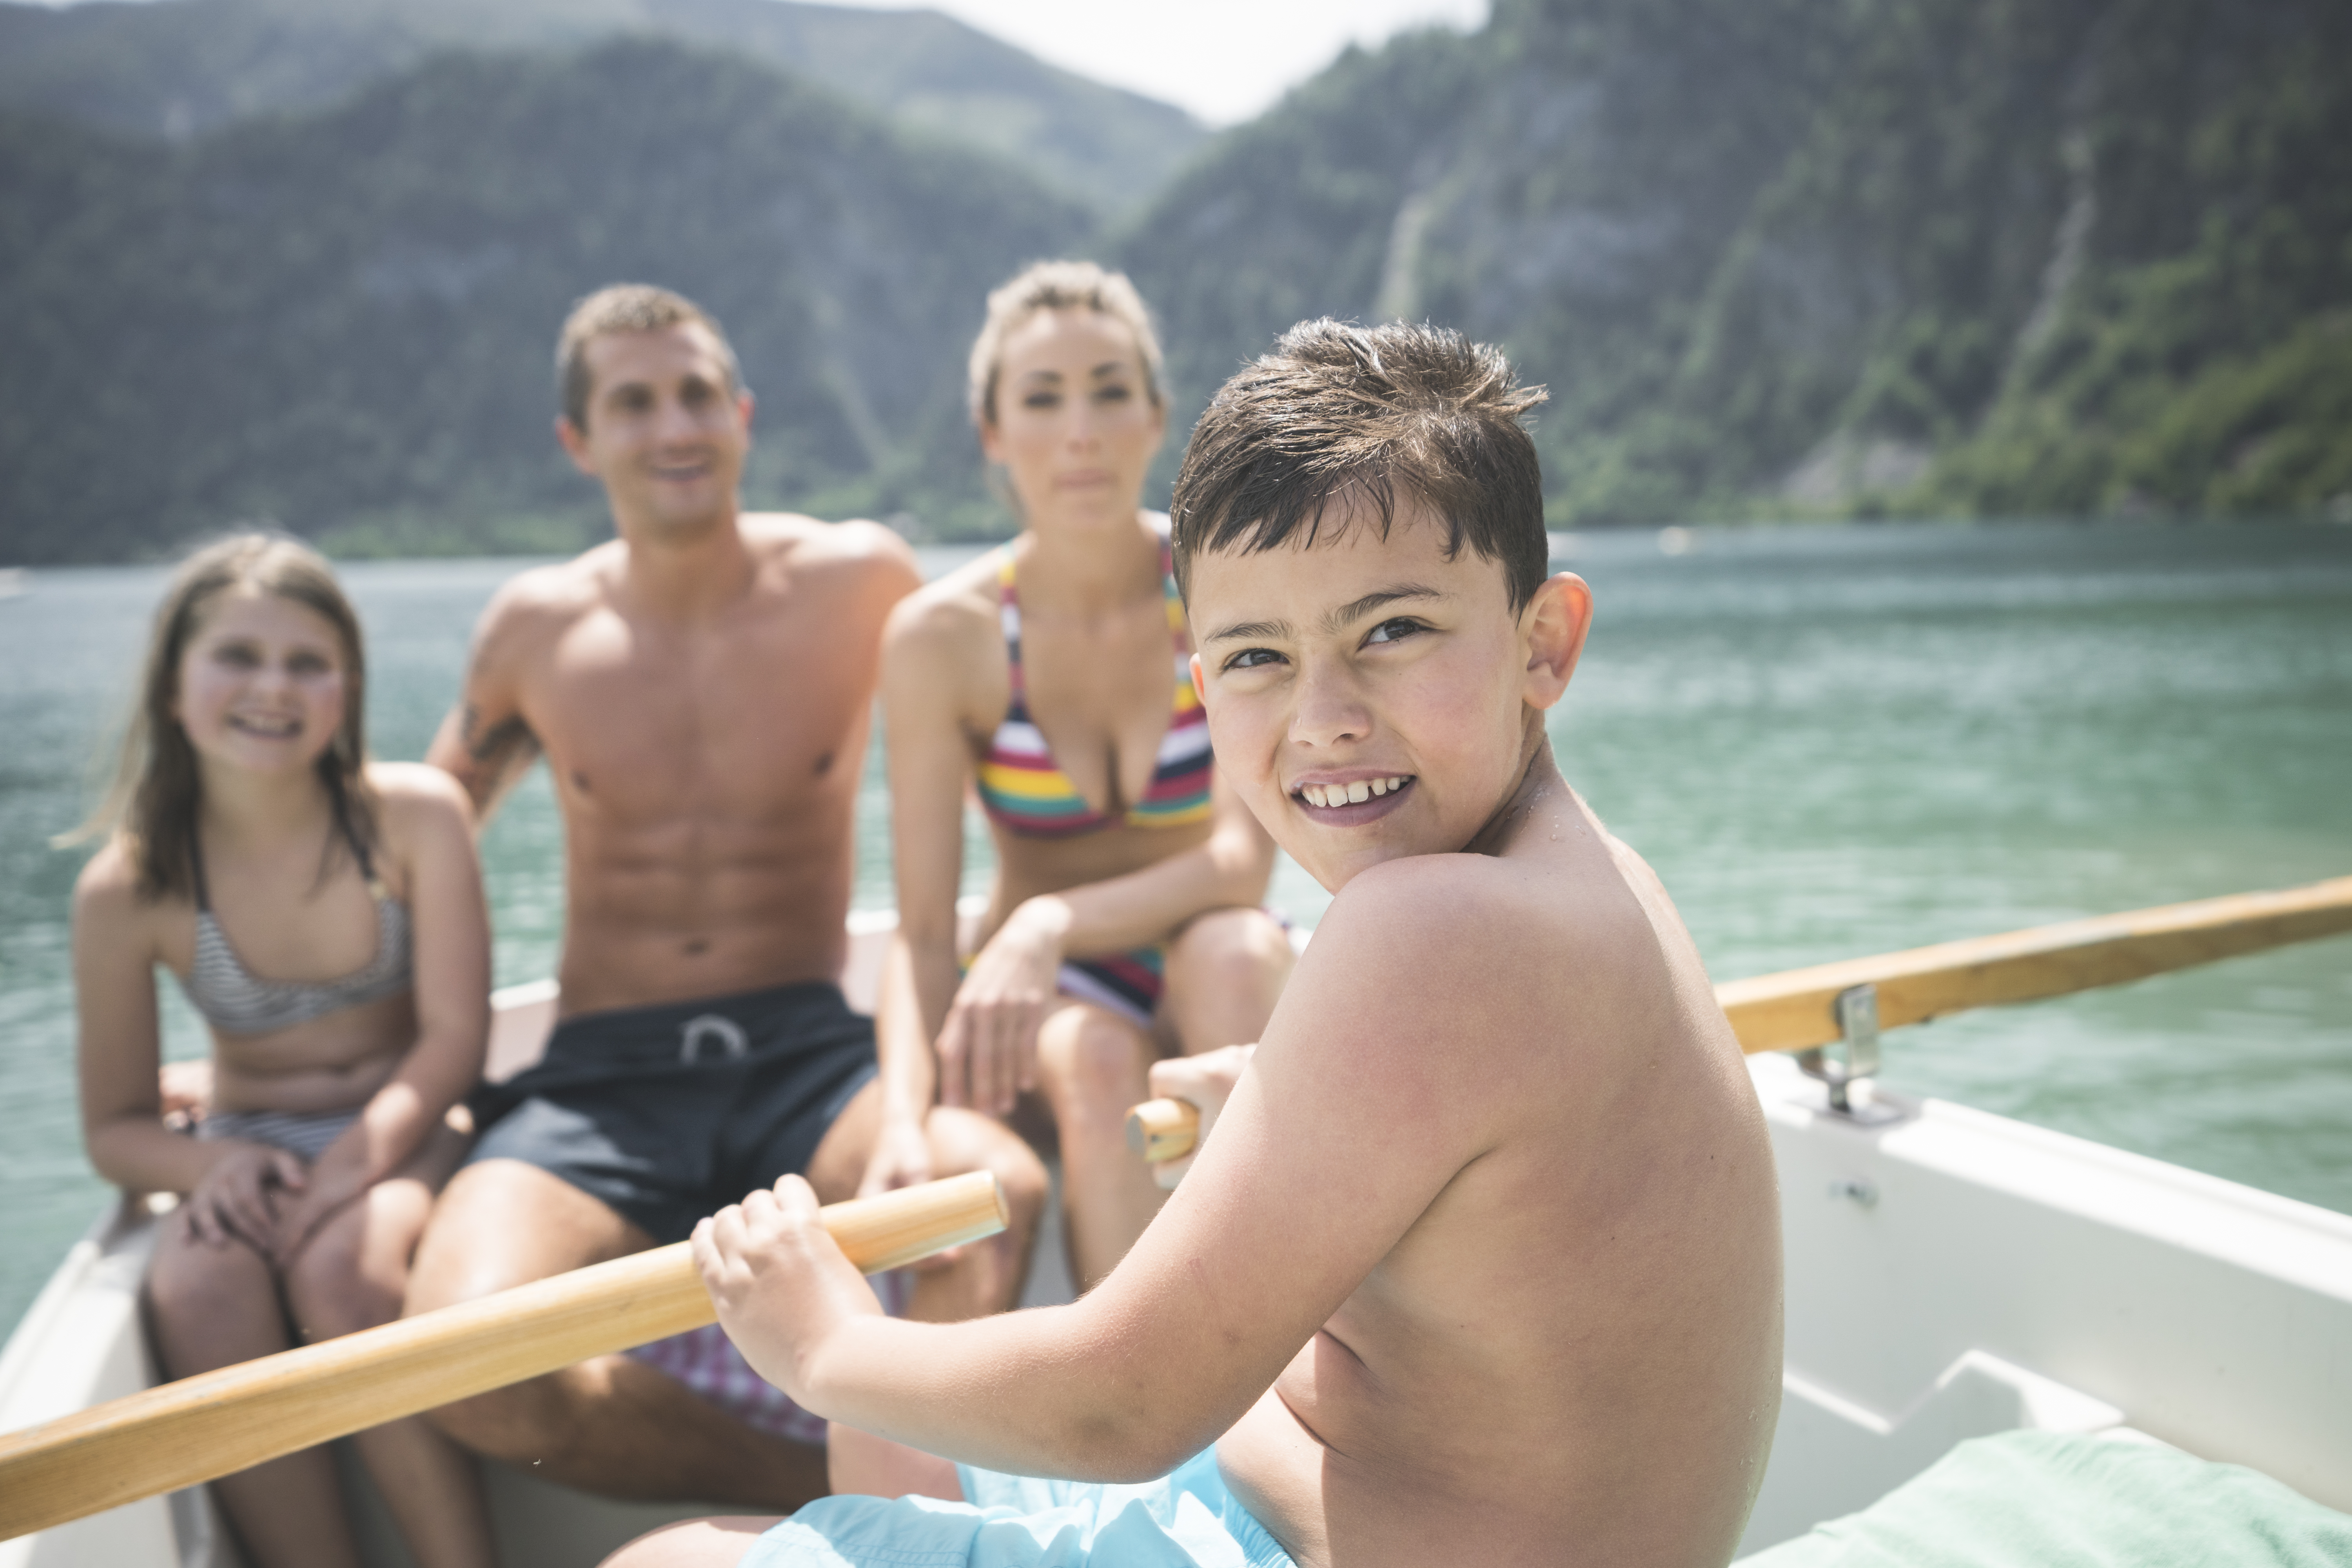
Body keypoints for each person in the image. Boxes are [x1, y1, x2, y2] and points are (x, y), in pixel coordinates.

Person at [604, 320, 1786, 1568]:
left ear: (1544, 641)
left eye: (1393, 631)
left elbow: (1120, 1406)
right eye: (1258, 658)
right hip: (1284, 1502)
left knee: (657, 1561)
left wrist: (822, 1342)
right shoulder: (1580, 873)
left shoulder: (1430, 928)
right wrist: (1286, 1118)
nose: (1324, 721)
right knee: (893, 1453)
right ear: (1200, 678)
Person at [404, 284, 1048, 1510]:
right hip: (601, 1082)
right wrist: (290, 1071)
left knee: (992, 1194)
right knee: (465, 1360)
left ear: (745, 416)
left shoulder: (861, 583)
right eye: (633, 402)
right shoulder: (534, 630)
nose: (675, 426)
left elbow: (1015, 785)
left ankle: (906, 1516)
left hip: (809, 1058)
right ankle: (842, 1502)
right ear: (579, 443)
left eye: (699, 392)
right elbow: (413, 850)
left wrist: (1050, 926)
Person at [865, 261, 1293, 1290]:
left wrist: (1047, 918)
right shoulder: (946, 637)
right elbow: (921, 933)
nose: (1082, 432)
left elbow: (1242, 863)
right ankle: (1135, 1414)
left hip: (1176, 949)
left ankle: (1299, 1351)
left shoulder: (1224, 586)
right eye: (1043, 399)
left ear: (1156, 415)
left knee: (1236, 952)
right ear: (994, 434)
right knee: (1096, 1058)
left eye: (1109, 391)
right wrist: (904, 1119)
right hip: (1047, 1004)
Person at [70, 534, 496, 1568]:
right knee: (196, 1288)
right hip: (248, 1144)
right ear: (174, 687)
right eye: (237, 656)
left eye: (308, 661)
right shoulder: (129, 890)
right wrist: (220, 1164)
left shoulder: (411, 819)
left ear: (346, 689)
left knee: (347, 1277)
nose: (274, 686)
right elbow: (116, 1129)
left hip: (412, 1124)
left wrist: (353, 1162)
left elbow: (455, 1042)